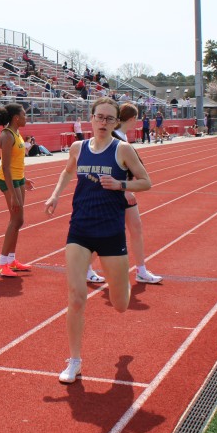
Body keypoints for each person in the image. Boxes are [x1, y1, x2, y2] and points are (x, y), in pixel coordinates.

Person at [44, 98, 153, 383]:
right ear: (91, 118)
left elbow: (146, 181)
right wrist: (55, 195)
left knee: (120, 304)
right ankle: (75, 361)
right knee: (76, 296)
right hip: (79, 230)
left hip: (111, 232)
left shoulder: (123, 149)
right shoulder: (78, 148)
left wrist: (121, 185)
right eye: (99, 117)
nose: (103, 122)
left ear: (116, 122)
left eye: (109, 118)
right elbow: (68, 170)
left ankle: (122, 282)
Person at [113, 103, 163, 284]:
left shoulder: (122, 137)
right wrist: (125, 189)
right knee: (108, 233)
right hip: (115, 193)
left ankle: (141, 270)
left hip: (124, 190)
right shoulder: (114, 138)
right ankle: (85, 267)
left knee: (136, 229)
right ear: (132, 119)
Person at [0, 103, 36, 277]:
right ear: (16, 118)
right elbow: (6, 167)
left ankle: (11, 260)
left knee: (18, 220)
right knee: (16, 220)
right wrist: (14, 196)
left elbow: (17, 162)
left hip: (18, 179)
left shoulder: (17, 133)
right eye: (24, 114)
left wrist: (24, 179)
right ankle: (1, 263)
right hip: (8, 180)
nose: (26, 117)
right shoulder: (7, 135)